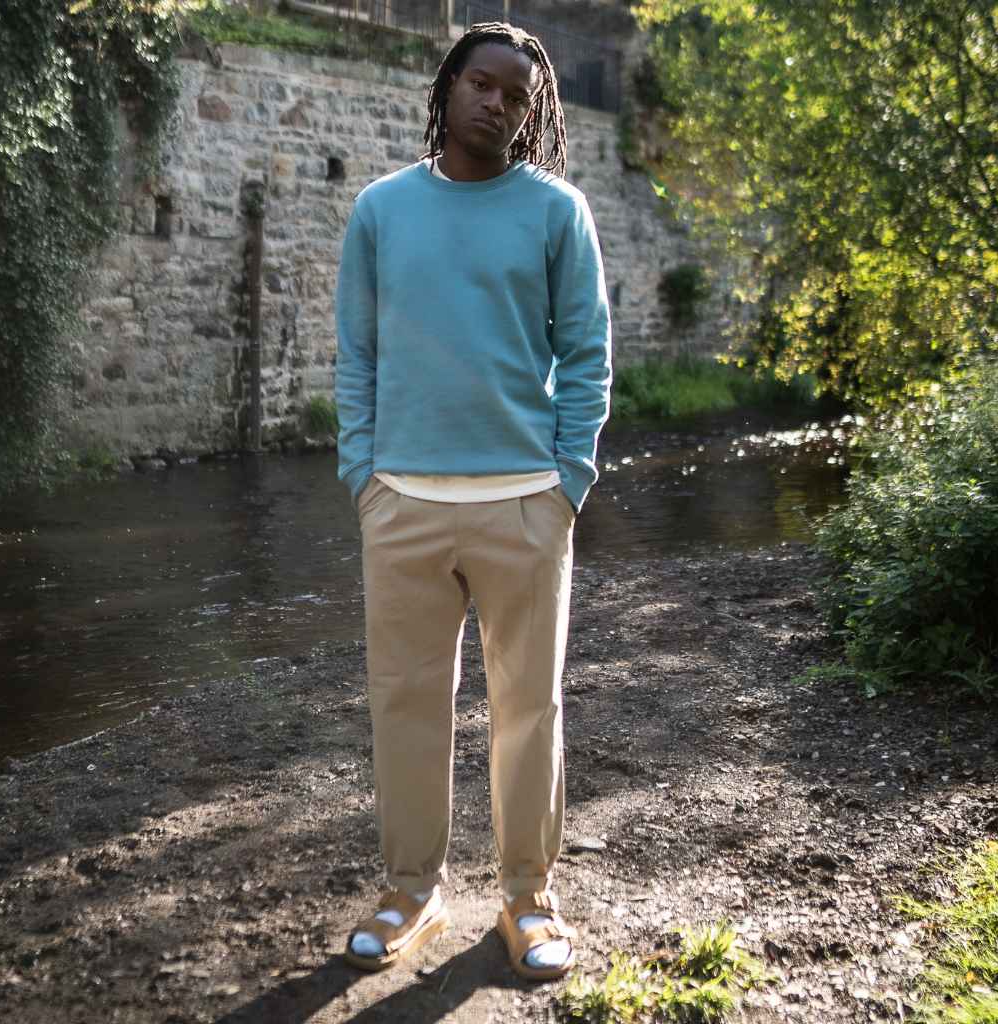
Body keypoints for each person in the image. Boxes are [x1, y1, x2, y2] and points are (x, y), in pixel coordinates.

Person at [334, 20, 611, 981]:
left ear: (529, 116)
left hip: (525, 505)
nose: (498, 105)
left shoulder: (555, 212)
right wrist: (362, 476)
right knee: (405, 705)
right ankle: (411, 889)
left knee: (528, 710)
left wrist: (566, 485)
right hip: (401, 504)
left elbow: (586, 355)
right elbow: (357, 354)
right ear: (450, 85)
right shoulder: (380, 209)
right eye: (483, 85)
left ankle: (529, 902)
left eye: (517, 98)